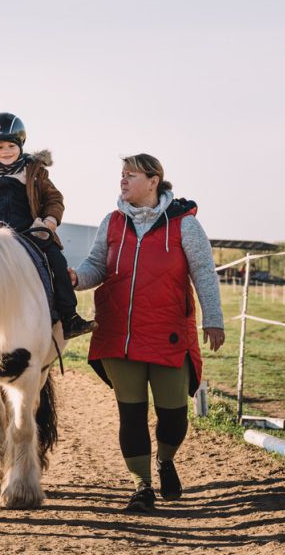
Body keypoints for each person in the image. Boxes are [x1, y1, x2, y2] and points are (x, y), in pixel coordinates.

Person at [69, 153, 224, 512]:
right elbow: (96, 266)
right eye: (122, 175)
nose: (123, 181)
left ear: (154, 181)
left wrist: (213, 318)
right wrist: (77, 277)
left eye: (131, 175)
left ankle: (165, 460)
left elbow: (203, 272)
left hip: (168, 335)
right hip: (118, 335)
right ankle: (142, 487)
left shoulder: (184, 224)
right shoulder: (112, 221)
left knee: (174, 417)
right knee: (132, 415)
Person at [0, 112, 95, 339]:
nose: (6, 151)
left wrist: (49, 221)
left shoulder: (35, 172)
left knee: (57, 261)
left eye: (11, 145)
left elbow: (54, 199)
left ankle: (69, 317)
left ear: (21, 144)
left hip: (30, 233)